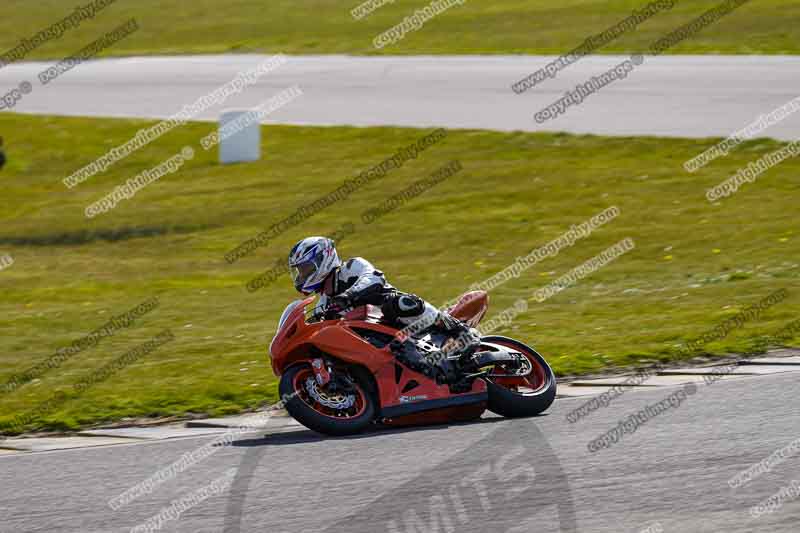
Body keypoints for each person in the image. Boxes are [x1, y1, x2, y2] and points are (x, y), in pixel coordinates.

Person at [287, 236, 481, 382]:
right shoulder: (323, 302)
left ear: (324, 259)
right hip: (376, 339)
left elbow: (373, 278)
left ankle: (459, 329)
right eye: (300, 272)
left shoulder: (352, 267)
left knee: (399, 304)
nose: (302, 276)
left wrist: (348, 297)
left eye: (306, 269)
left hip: (396, 319)